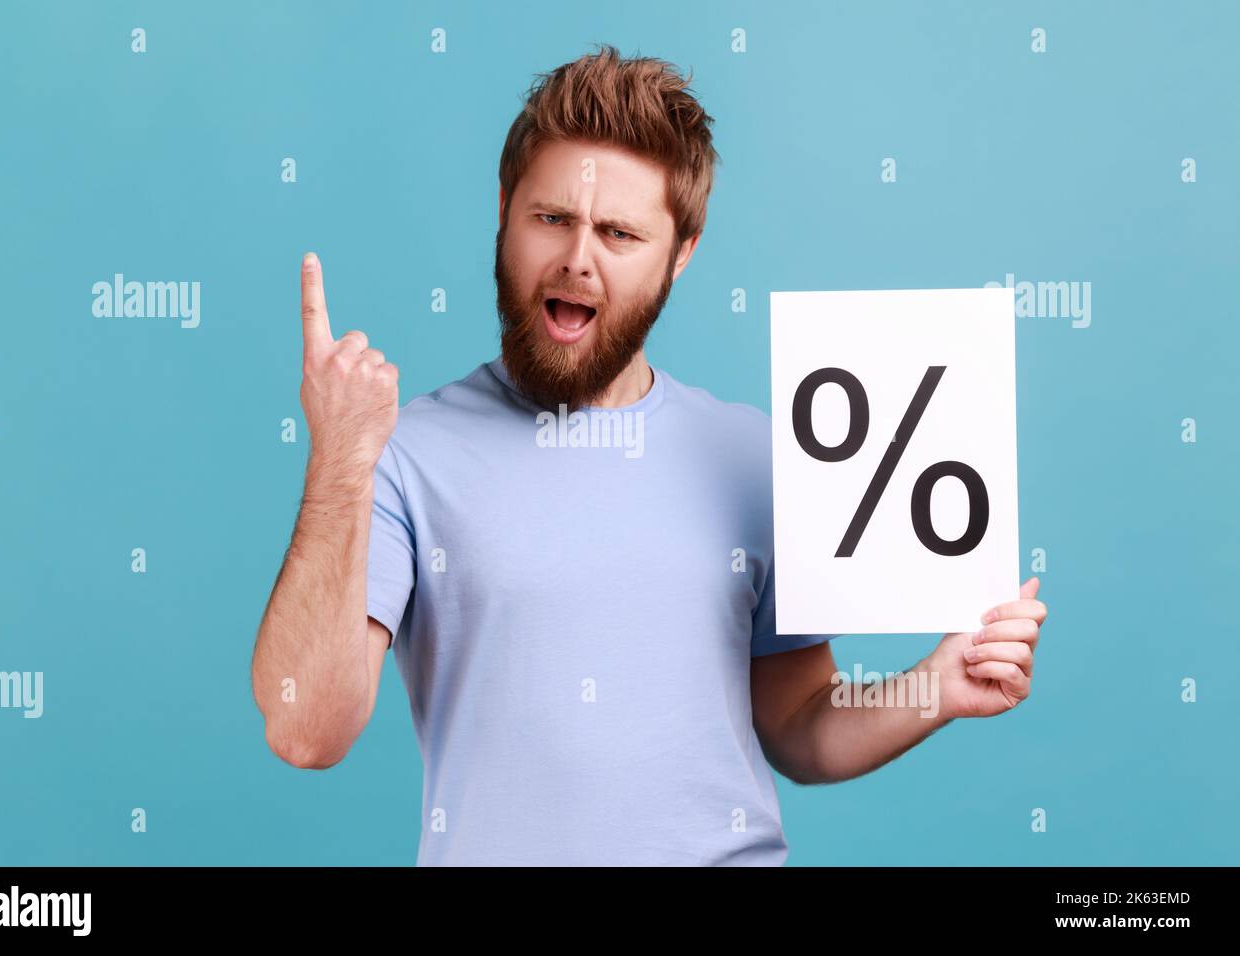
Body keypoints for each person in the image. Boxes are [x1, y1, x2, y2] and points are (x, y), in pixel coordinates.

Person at [250, 44, 1048, 866]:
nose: (577, 259)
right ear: (503, 208)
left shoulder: (755, 454)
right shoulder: (403, 455)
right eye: (552, 218)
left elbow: (801, 724)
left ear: (683, 251)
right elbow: (304, 728)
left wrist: (935, 688)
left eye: (620, 232)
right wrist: (340, 458)